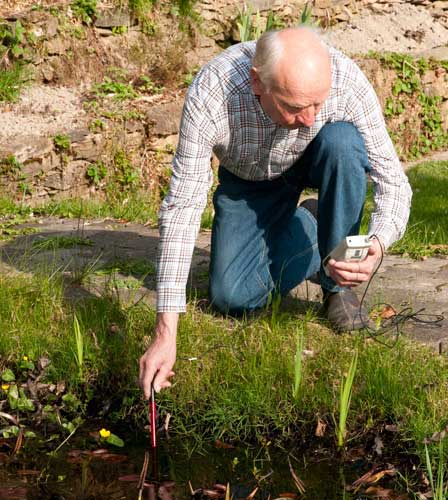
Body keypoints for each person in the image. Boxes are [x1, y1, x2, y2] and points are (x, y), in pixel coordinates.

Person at [139, 26, 412, 398]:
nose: (310, 118)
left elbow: (393, 182)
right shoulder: (213, 93)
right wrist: (165, 333)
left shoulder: (346, 79)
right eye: (296, 107)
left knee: (343, 143)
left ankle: (337, 286)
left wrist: (376, 242)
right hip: (249, 183)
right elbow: (183, 206)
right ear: (257, 83)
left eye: (319, 103)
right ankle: (314, 222)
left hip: (317, 159)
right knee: (232, 298)